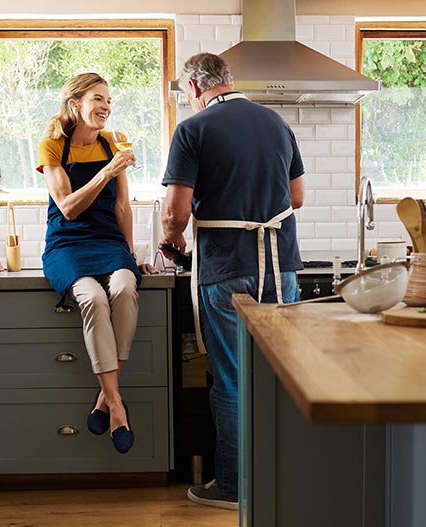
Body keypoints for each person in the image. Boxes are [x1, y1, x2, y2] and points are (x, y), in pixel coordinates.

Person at [160, 53, 305, 509]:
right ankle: (281, 479)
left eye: (186, 95)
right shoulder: (276, 123)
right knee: (280, 378)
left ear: (195, 87)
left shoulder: (193, 129)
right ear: (228, 80)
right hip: (281, 268)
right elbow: (296, 197)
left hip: (227, 269)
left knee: (231, 379)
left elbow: (175, 213)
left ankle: (234, 486)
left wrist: (172, 241)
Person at [37, 72, 156, 455]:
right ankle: (117, 405)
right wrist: (109, 170)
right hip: (67, 244)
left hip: (109, 242)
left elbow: (122, 206)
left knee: (124, 286)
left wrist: (132, 253)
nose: (106, 107)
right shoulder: (52, 146)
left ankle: (105, 398)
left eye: (108, 100)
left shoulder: (115, 141)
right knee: (91, 297)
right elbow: (68, 208)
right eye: (97, 99)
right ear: (75, 105)